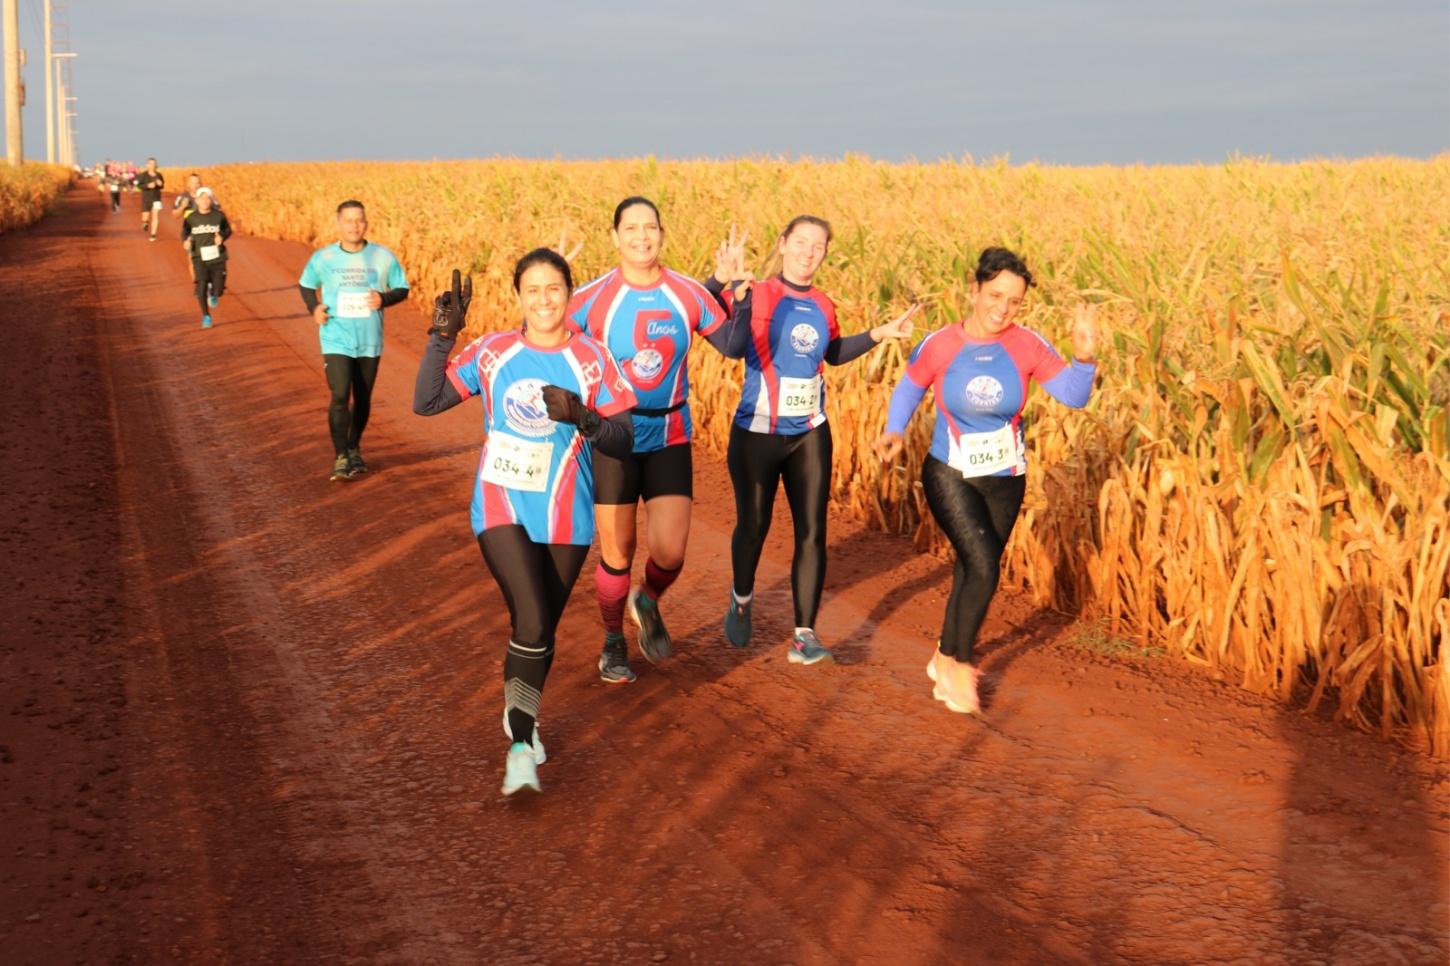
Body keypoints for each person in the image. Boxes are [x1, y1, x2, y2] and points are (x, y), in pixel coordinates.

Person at [414, 253, 637, 796]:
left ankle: (522, 715)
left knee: (536, 632)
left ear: (569, 294)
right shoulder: (494, 351)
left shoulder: (592, 358)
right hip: (501, 505)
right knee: (534, 620)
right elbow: (427, 401)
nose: (543, 299)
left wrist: (584, 416)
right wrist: (442, 337)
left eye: (554, 289)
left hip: (567, 513)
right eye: (532, 289)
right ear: (519, 296)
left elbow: (623, 438)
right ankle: (519, 747)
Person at [873, 247, 1099, 713]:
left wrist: (1084, 356)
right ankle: (959, 664)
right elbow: (911, 385)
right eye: (995, 294)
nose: (1003, 307)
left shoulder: (1027, 344)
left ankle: (941, 655)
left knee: (972, 568)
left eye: (1014, 301)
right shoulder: (941, 343)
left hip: (1006, 478)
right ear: (974, 290)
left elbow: (1074, 397)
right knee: (984, 567)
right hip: (950, 472)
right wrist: (895, 429)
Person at [712, 215, 918, 665]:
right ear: (783, 244)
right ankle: (741, 597)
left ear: (825, 254)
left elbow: (832, 353)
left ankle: (804, 634)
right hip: (756, 432)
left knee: (813, 531)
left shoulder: (823, 304)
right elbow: (717, 329)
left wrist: (880, 334)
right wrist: (724, 286)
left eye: (818, 246)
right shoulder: (756, 291)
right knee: (754, 526)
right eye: (801, 242)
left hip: (809, 432)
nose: (808, 252)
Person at [565, 197, 743, 683]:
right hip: (613, 434)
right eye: (631, 228)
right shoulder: (593, 296)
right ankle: (613, 641)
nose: (641, 236)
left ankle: (647, 599)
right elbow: (547, 338)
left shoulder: (688, 292)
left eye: (650, 228)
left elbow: (730, 344)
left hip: (670, 432)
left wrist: (736, 294)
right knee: (617, 551)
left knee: (670, 553)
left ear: (662, 234)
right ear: (614, 237)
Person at [297, 201, 409, 482]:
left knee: (362, 399)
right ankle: (340, 456)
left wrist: (384, 298)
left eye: (359, 220)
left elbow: (402, 288)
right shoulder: (324, 258)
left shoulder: (383, 256)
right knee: (339, 395)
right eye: (348, 220)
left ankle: (354, 446)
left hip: (370, 339)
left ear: (366, 223)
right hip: (336, 337)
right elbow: (307, 284)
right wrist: (314, 307)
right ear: (339, 223)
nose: (354, 225)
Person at [179, 188, 232, 330]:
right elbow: (185, 232)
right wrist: (186, 241)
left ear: (211, 200)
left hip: (218, 257)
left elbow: (227, 230)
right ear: (196, 200)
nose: (204, 201)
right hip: (199, 257)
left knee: (219, 288)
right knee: (201, 284)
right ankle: (206, 316)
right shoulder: (191, 218)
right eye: (201, 198)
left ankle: (214, 294)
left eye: (207, 198)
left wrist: (222, 236)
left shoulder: (219, 216)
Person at [137, 158, 165, 240]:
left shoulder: (159, 175)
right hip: (146, 198)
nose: (152, 165)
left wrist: (160, 184)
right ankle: (145, 223)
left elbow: (162, 185)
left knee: (155, 215)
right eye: (151, 164)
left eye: (154, 164)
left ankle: (153, 234)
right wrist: (147, 186)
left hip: (156, 198)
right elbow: (139, 186)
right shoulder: (143, 175)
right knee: (145, 218)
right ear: (147, 165)